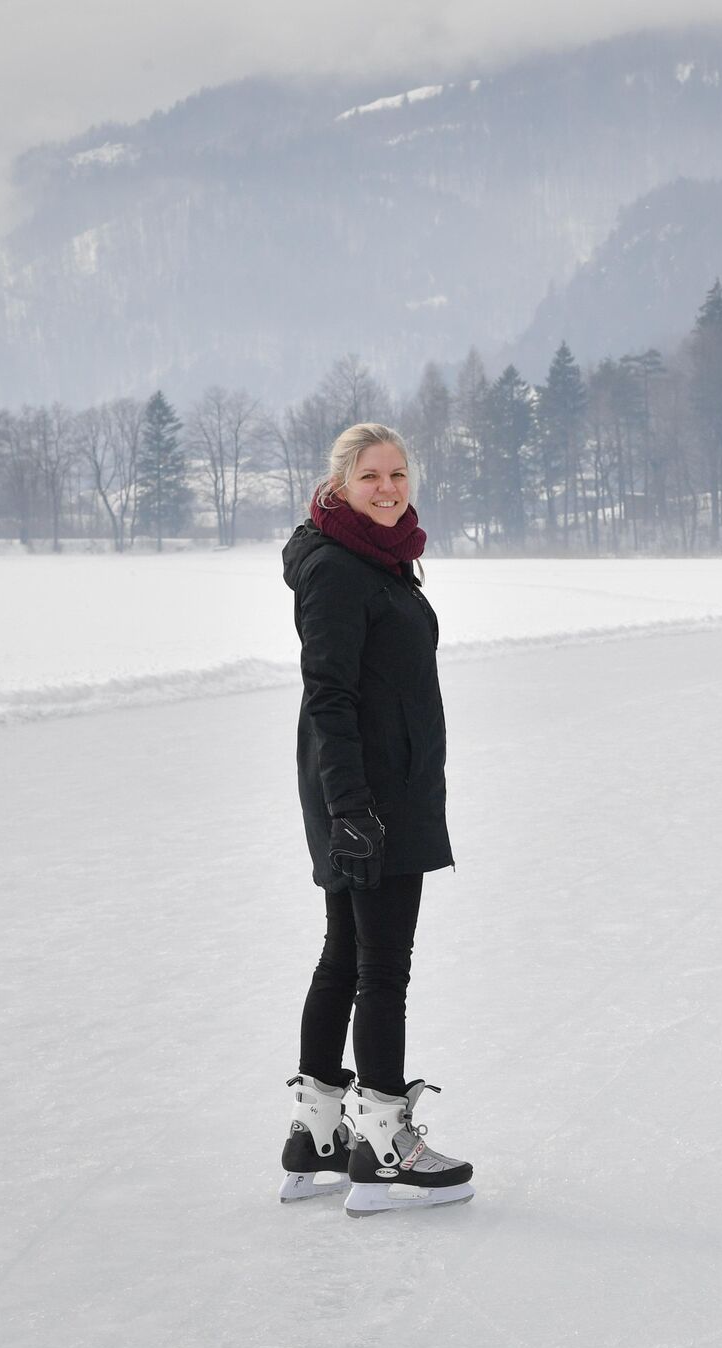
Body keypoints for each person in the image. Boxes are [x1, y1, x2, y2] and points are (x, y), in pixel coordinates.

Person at [277, 422, 474, 1217]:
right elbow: (329, 694)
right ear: (340, 484)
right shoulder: (338, 568)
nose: (388, 489)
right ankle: (386, 1148)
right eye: (371, 477)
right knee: (381, 964)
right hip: (368, 795)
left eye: (397, 474)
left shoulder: (377, 559)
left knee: (346, 953)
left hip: (373, 787)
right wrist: (352, 809)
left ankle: (319, 1135)